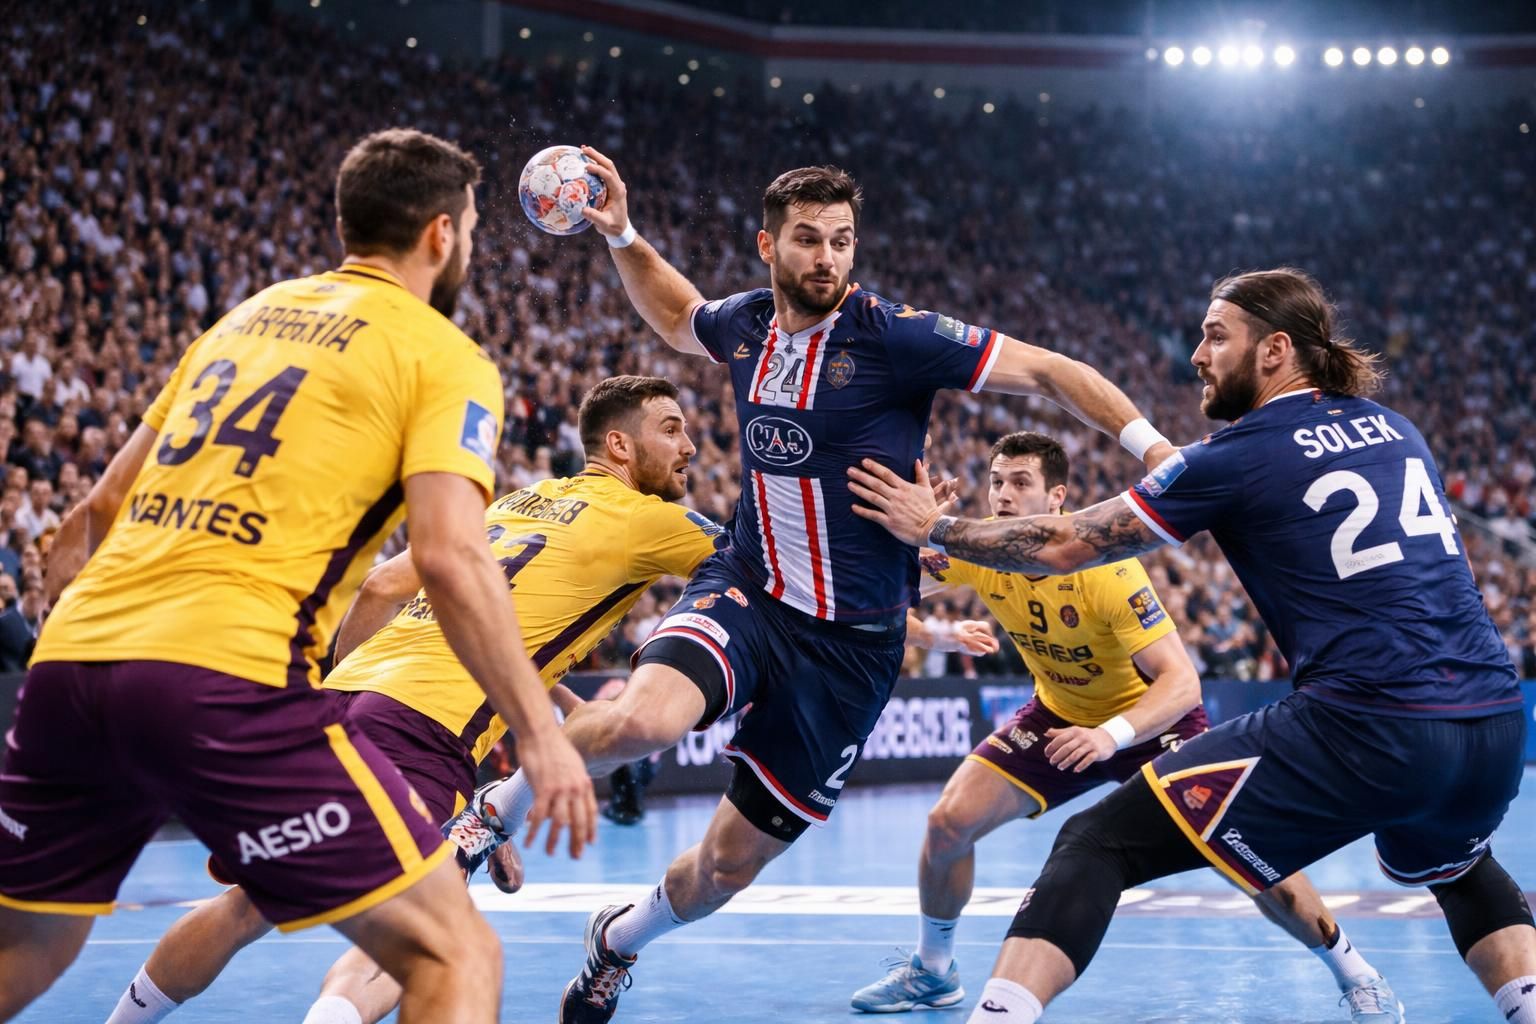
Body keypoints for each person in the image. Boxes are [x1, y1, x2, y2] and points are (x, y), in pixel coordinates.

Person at [441, 151, 1176, 1024]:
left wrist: (1156, 453)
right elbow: (678, 317)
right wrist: (623, 233)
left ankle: (618, 941)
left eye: (841, 240)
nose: (827, 257)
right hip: (750, 592)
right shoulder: (746, 325)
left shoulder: (896, 338)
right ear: (768, 246)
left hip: (851, 653)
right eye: (807, 240)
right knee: (643, 719)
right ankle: (492, 812)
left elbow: (1054, 372)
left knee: (720, 872)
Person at [0, 128, 596, 1024]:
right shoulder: (442, 354)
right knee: (454, 949)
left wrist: (77, 654)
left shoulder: (244, 318)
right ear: (441, 234)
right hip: (226, 678)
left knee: (28, 947)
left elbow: (89, 518)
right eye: (469, 227)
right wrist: (539, 735)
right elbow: (447, 556)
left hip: (71, 665)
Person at [846, 268, 1536, 1024]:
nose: (1197, 357)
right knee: (1462, 867)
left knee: (1096, 843)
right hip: (1494, 723)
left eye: (1215, 337)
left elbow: (1067, 544)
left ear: (1275, 350)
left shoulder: (1235, 454)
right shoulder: (1395, 428)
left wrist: (932, 526)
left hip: (1365, 722)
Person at [102, 375, 723, 1024]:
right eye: (671, 429)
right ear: (620, 446)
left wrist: (355, 727)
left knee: (250, 905)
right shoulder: (649, 521)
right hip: (423, 733)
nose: (690, 448)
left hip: (333, 707)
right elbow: (760, 569)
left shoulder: (521, 502)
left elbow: (378, 589)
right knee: (423, 940)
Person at [852, 430, 1401, 1020]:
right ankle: (934, 972)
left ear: (1056, 497)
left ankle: (1357, 972)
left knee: (1247, 854)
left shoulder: (1108, 571)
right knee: (947, 824)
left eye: (1020, 483)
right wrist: (920, 594)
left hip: (1149, 723)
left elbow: (1181, 683)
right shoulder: (977, 550)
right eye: (996, 482)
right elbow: (866, 591)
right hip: (1058, 715)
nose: (1003, 495)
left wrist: (1109, 734)